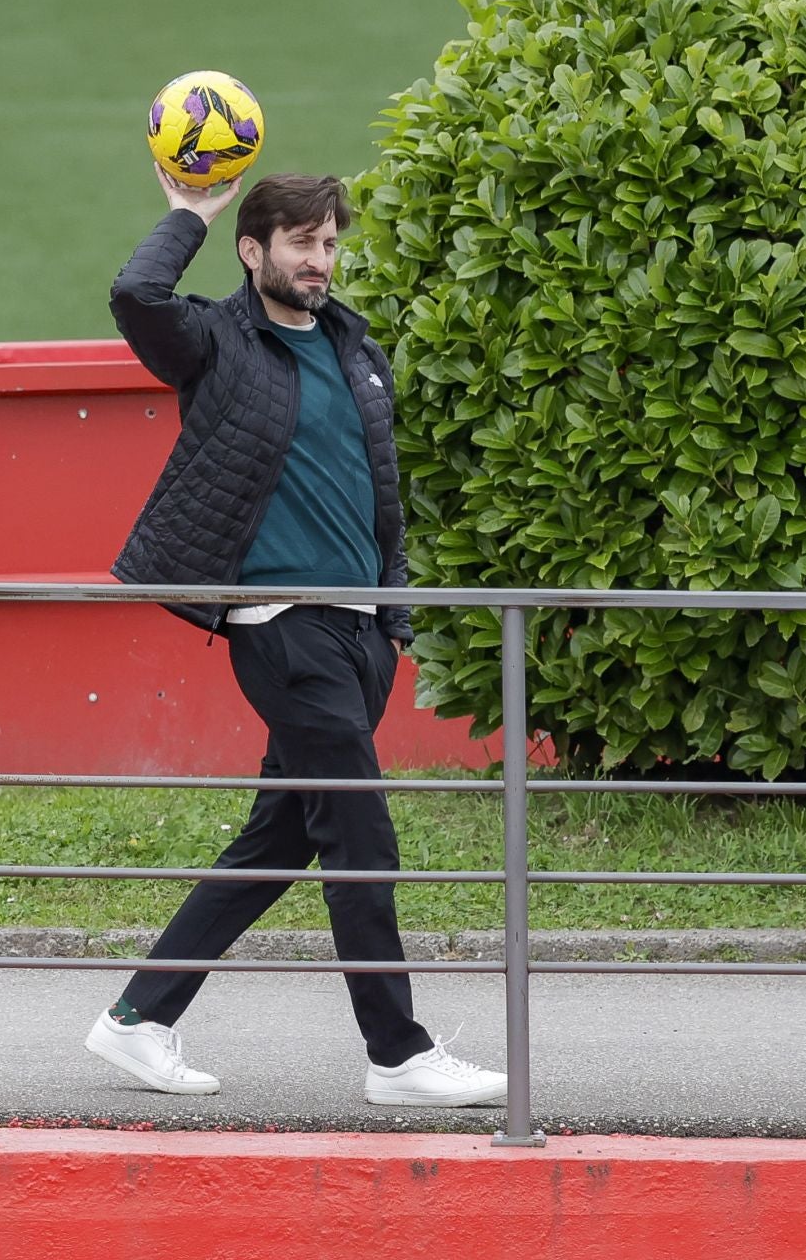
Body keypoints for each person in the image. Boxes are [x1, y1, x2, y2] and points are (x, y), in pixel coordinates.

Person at [83, 167, 506, 1107]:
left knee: (277, 840)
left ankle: (138, 1020)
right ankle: (398, 1053)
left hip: (358, 635)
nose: (320, 262)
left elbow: (379, 498)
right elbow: (134, 295)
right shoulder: (214, 343)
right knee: (362, 834)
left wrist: (390, 622)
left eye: (329, 244)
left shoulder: (357, 347)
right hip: (282, 627)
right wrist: (191, 210)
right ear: (255, 250)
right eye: (302, 244)